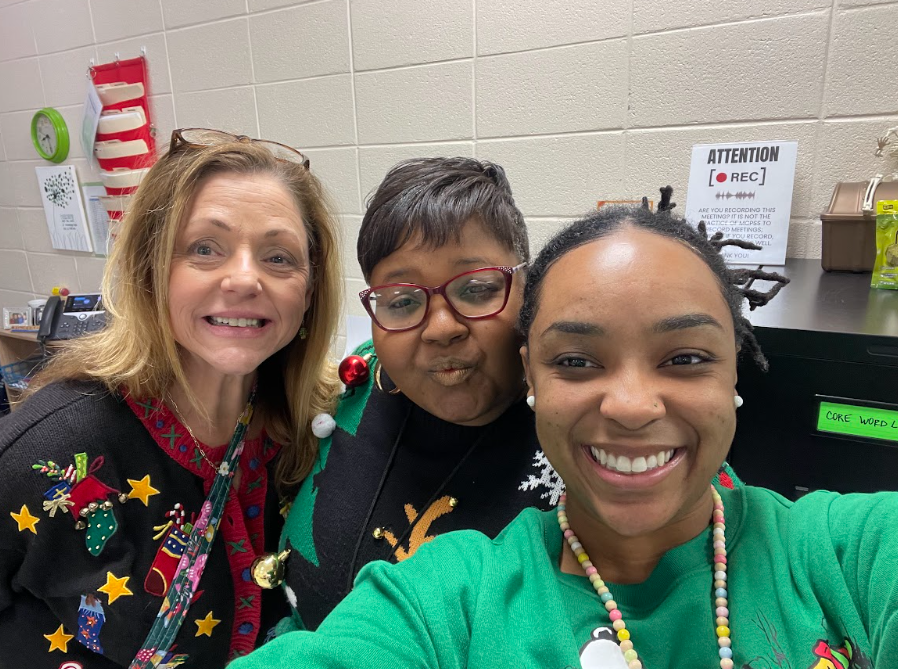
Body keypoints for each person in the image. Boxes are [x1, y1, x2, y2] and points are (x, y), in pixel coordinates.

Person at [233, 201, 898, 669]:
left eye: (685, 357)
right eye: (577, 361)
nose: (632, 406)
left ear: (734, 370)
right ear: (532, 375)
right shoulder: (450, 599)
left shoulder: (848, 555)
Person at [0, 129, 342, 668]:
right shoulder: (48, 448)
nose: (245, 279)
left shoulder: (317, 427)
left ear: (310, 291)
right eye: (205, 248)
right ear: (151, 270)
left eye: (279, 257)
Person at [272, 157, 561, 632]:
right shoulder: (355, 384)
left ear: (528, 289)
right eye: (403, 301)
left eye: (476, 289)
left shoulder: (574, 438)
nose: (441, 328)